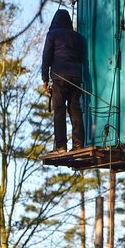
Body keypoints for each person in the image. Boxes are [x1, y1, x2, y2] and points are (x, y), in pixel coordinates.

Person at [42, 9, 85, 153]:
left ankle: (61, 146)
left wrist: (45, 79)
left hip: (59, 76)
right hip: (76, 77)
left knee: (59, 111)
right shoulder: (77, 37)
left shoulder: (52, 35)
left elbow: (46, 57)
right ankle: (78, 144)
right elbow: (81, 57)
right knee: (75, 109)